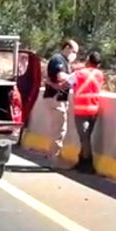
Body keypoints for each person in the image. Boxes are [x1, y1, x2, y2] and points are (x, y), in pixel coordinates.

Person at [43, 38, 79, 167]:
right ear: (67, 48)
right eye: (74, 51)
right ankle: (54, 160)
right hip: (56, 99)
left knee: (57, 129)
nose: (75, 55)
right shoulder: (58, 60)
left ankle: (53, 156)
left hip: (58, 98)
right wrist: (73, 77)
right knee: (59, 130)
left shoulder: (64, 62)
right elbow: (60, 77)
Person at [68, 52, 105, 173]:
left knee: (84, 138)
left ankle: (88, 163)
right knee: (86, 137)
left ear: (88, 60)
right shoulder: (100, 74)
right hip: (94, 109)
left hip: (81, 110)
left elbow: (67, 82)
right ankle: (82, 160)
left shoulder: (79, 73)